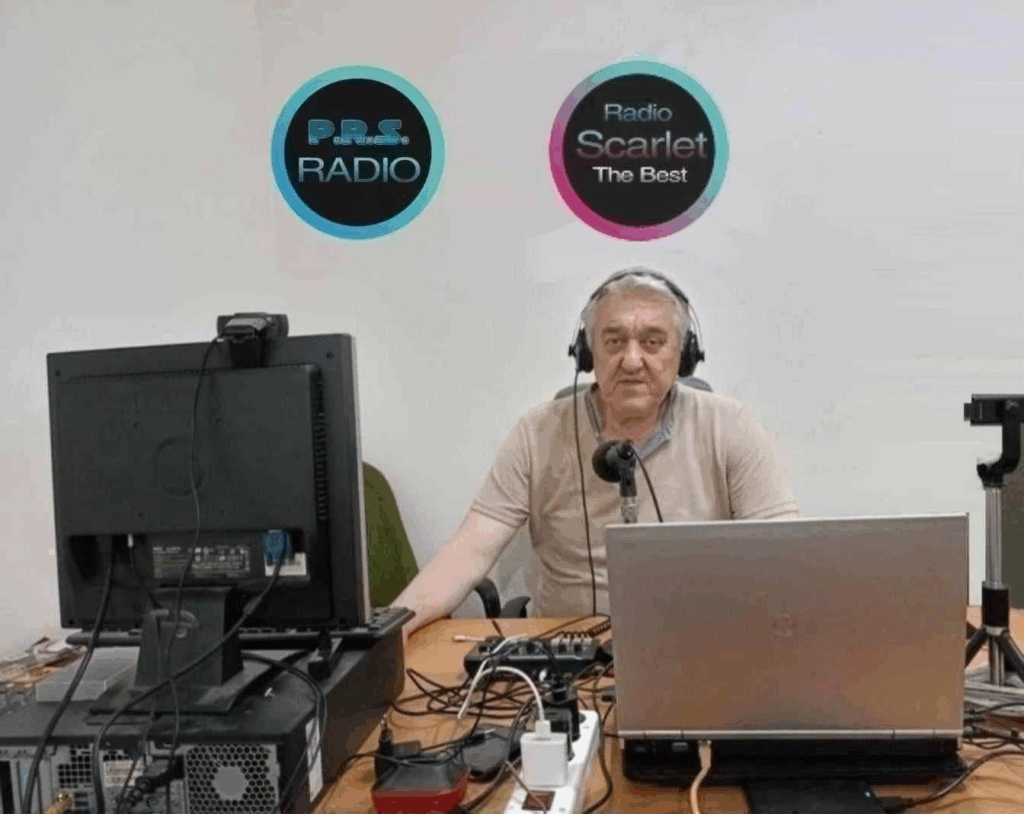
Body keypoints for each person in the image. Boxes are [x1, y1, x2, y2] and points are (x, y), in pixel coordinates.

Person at [394, 267, 798, 635]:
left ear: (684, 355)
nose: (632, 361)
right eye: (614, 341)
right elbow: (468, 552)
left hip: (697, 642)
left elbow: (786, 553)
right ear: (588, 354)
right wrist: (389, 631)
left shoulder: (730, 425)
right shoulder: (538, 431)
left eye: (653, 342)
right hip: (564, 647)